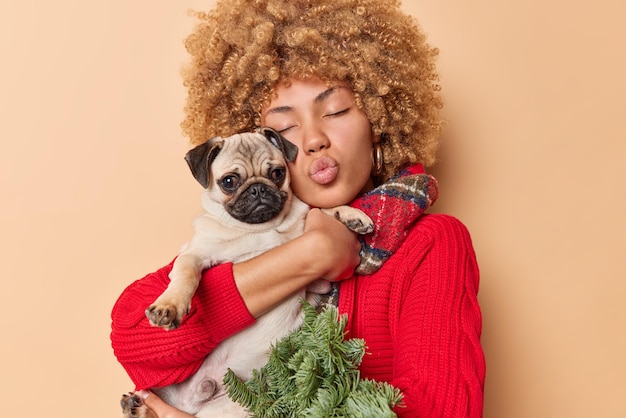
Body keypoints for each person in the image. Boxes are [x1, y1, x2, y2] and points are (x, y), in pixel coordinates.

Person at [110, 0, 486, 416]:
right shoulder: (242, 234)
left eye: (337, 110)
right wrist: (310, 255)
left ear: (380, 120)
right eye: (284, 127)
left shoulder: (431, 245)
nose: (313, 140)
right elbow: (134, 340)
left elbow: (442, 410)